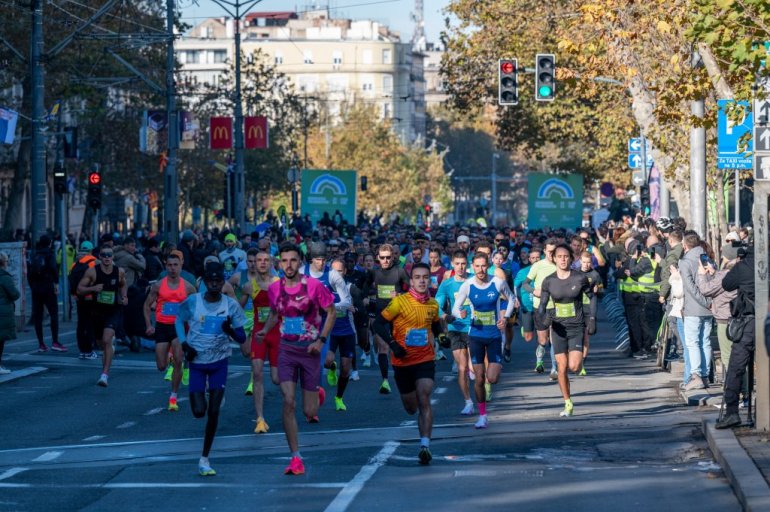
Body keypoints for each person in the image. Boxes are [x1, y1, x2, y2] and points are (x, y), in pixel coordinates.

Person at [255, 242, 336, 476]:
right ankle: (295, 457)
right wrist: (265, 329)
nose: (288, 265)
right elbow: (274, 312)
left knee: (309, 412)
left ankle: (317, 394)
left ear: (300, 262)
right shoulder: (274, 289)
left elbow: (331, 312)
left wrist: (321, 341)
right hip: (287, 350)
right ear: (279, 263)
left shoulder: (313, 286)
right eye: (284, 261)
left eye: (292, 260)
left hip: (310, 351)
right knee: (288, 401)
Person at [174, 261, 248, 475]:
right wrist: (184, 344)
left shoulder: (230, 305)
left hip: (219, 363)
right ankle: (208, 391)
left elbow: (242, 337)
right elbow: (178, 320)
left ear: (223, 282)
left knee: (213, 411)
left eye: (218, 281)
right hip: (197, 363)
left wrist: (230, 330)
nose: (214, 284)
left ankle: (204, 458)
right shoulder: (193, 301)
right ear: (205, 282)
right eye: (211, 281)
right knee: (199, 412)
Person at [375, 263, 441, 464]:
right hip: (402, 361)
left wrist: (442, 336)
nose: (422, 281)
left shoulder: (433, 304)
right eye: (418, 277)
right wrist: (393, 345)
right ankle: (423, 441)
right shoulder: (399, 302)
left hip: (425, 359)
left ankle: (425, 446)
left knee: (424, 396)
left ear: (429, 280)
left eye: (425, 277)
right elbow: (378, 323)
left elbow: (436, 326)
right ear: (411, 281)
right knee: (411, 408)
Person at [453, 253, 516, 429]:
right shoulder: (468, 285)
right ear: (472, 267)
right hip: (476, 336)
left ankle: (495, 367)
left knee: (492, 378)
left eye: (483, 266)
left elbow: (512, 299)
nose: (480, 270)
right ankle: (482, 416)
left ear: (488, 266)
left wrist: (506, 318)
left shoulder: (497, 282)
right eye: (477, 266)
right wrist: (460, 313)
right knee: (479, 378)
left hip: (494, 335)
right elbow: (455, 308)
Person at [537, 244, 596, 418]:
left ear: (570, 258)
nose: (563, 259)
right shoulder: (549, 281)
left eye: (565, 256)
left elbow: (591, 297)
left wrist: (592, 319)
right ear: (554, 259)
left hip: (576, 327)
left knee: (574, 366)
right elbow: (542, 304)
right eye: (559, 256)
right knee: (561, 368)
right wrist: (543, 318)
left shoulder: (579, 278)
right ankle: (567, 402)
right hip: (558, 328)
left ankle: (579, 361)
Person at [143, 252, 197, 411]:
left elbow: (197, 308)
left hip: (179, 328)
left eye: (175, 265)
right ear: (166, 266)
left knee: (179, 360)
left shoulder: (189, 287)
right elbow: (146, 305)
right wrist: (148, 325)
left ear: (181, 266)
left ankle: (173, 396)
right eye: (170, 265)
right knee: (161, 366)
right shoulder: (158, 285)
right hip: (162, 326)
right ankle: (171, 357)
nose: (173, 268)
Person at [241, 250, 281, 433]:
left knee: (276, 379)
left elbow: (282, 310)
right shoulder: (249, 286)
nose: (263, 263)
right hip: (258, 334)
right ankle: (260, 419)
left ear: (271, 263)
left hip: (276, 333)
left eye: (266, 260)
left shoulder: (278, 283)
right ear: (254, 264)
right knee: (257, 374)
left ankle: (304, 380)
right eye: (259, 260)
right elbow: (237, 308)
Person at [78, 245, 128, 387]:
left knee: (106, 340)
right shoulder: (92, 272)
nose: (107, 257)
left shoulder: (119, 272)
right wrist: (93, 288)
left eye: (109, 255)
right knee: (102, 344)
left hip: (113, 310)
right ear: (99, 257)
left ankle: (104, 374)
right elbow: (80, 289)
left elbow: (123, 284)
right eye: (104, 255)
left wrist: (124, 296)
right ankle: (108, 354)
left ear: (113, 257)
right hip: (97, 312)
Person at [717, 245, 755, 429]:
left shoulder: (744, 266)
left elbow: (727, 284)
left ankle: (732, 413)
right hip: (764, 321)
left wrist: (739, 264)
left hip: (748, 323)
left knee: (736, 368)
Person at [435, 250, 474, 415]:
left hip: (475, 327)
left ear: (467, 264)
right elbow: (436, 306)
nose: (460, 267)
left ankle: (481, 381)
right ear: (452, 264)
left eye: (463, 263)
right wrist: (446, 316)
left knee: (474, 366)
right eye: (457, 264)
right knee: (462, 368)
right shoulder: (447, 284)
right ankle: (468, 402)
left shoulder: (475, 279)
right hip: (455, 328)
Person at [370, 243, 410, 394]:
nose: (385, 260)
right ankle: (385, 381)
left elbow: (413, 290)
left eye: (388, 257)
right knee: (383, 347)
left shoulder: (400, 272)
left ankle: (404, 376)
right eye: (382, 258)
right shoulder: (374, 273)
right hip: (382, 316)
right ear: (378, 258)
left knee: (398, 348)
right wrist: (368, 297)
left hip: (398, 316)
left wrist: (400, 295)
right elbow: (364, 288)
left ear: (393, 257)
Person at [679, 233, 714, 391]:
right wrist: (709, 302)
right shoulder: (706, 258)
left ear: (685, 245)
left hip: (694, 308)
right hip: (708, 308)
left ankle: (696, 376)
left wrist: (704, 302)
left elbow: (690, 287)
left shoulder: (685, 261)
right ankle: (705, 376)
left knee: (692, 343)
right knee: (705, 341)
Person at [522, 239, 558, 377]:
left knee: (554, 339)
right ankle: (539, 362)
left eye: (554, 251)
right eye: (550, 251)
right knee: (543, 340)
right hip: (540, 307)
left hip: (557, 307)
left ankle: (554, 368)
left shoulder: (560, 265)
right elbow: (525, 284)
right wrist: (534, 291)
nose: (552, 254)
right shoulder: (538, 265)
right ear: (544, 251)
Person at [326, 259, 356, 411]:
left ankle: (339, 398)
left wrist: (355, 308)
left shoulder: (349, 288)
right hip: (330, 332)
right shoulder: (325, 288)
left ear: (344, 272)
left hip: (347, 332)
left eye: (339, 271)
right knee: (327, 361)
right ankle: (332, 367)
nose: (336, 275)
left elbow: (360, 305)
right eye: (333, 271)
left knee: (345, 369)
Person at [28, 235, 66, 352]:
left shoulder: (34, 255)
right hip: (48, 286)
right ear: (50, 243)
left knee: (38, 316)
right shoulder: (50, 254)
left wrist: (33, 286)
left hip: (36, 288)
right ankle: (55, 342)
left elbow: (30, 274)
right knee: (53, 314)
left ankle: (41, 344)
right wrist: (56, 284)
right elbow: (54, 269)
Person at [70, 241, 98, 359]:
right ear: (91, 250)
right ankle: (90, 350)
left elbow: (71, 280)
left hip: (78, 297)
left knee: (81, 323)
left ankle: (82, 350)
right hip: (91, 297)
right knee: (90, 323)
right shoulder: (94, 262)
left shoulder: (75, 264)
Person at [0, 251, 21, 374]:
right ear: (3, 262)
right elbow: (15, 294)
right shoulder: (4, 277)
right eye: (7, 261)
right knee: (0, 340)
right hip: (2, 313)